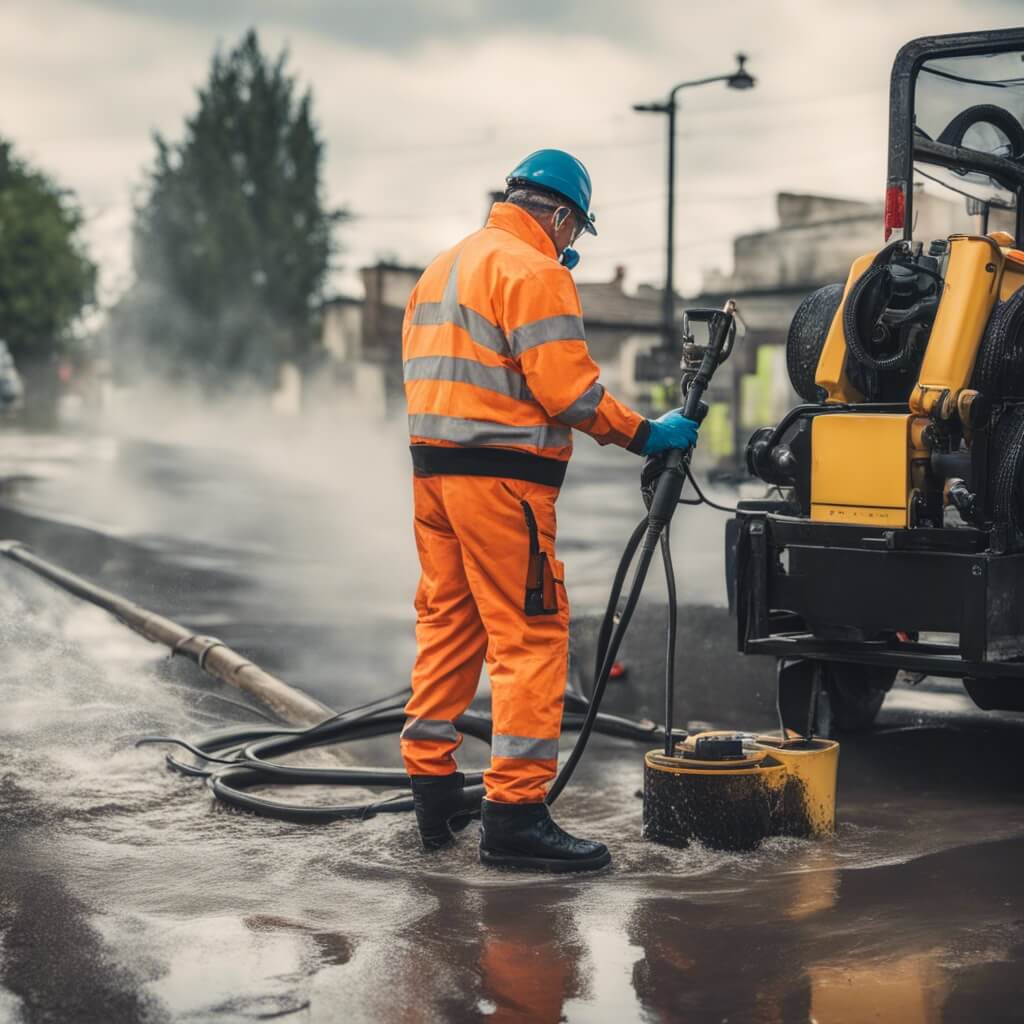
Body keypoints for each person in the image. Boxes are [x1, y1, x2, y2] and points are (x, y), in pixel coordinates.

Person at [400, 149, 699, 872]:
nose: (571, 246)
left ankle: (434, 792)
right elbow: (570, 394)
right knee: (531, 638)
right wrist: (647, 435)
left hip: (435, 481)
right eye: (574, 232)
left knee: (451, 623)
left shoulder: (442, 267)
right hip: (505, 486)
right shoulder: (535, 273)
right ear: (561, 214)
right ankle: (515, 815)